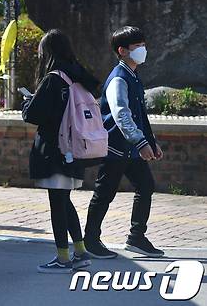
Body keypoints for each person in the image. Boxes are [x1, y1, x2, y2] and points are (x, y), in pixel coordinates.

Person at [22, 29, 100, 274]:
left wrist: (27, 102)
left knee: (58, 203)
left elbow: (33, 114)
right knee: (65, 201)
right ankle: (80, 252)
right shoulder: (79, 76)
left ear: (48, 53)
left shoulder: (54, 78)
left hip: (56, 150)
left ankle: (63, 258)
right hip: (76, 148)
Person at [83, 26, 164, 259]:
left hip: (130, 148)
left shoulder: (133, 75)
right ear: (122, 50)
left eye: (143, 45)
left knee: (146, 186)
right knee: (104, 193)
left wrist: (150, 141)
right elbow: (121, 114)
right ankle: (91, 240)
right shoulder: (119, 78)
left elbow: (140, 113)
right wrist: (141, 143)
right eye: (137, 46)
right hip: (116, 147)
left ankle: (136, 237)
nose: (143, 50)